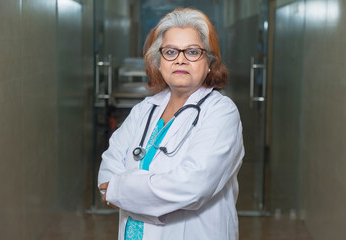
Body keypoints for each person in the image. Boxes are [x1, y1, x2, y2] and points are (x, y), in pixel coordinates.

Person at [98, 8, 244, 240]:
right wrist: (144, 193)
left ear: (209, 62)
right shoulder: (144, 110)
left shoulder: (221, 113)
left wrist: (121, 190)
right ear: (159, 61)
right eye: (170, 51)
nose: (180, 60)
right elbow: (108, 169)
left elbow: (192, 187)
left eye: (193, 52)